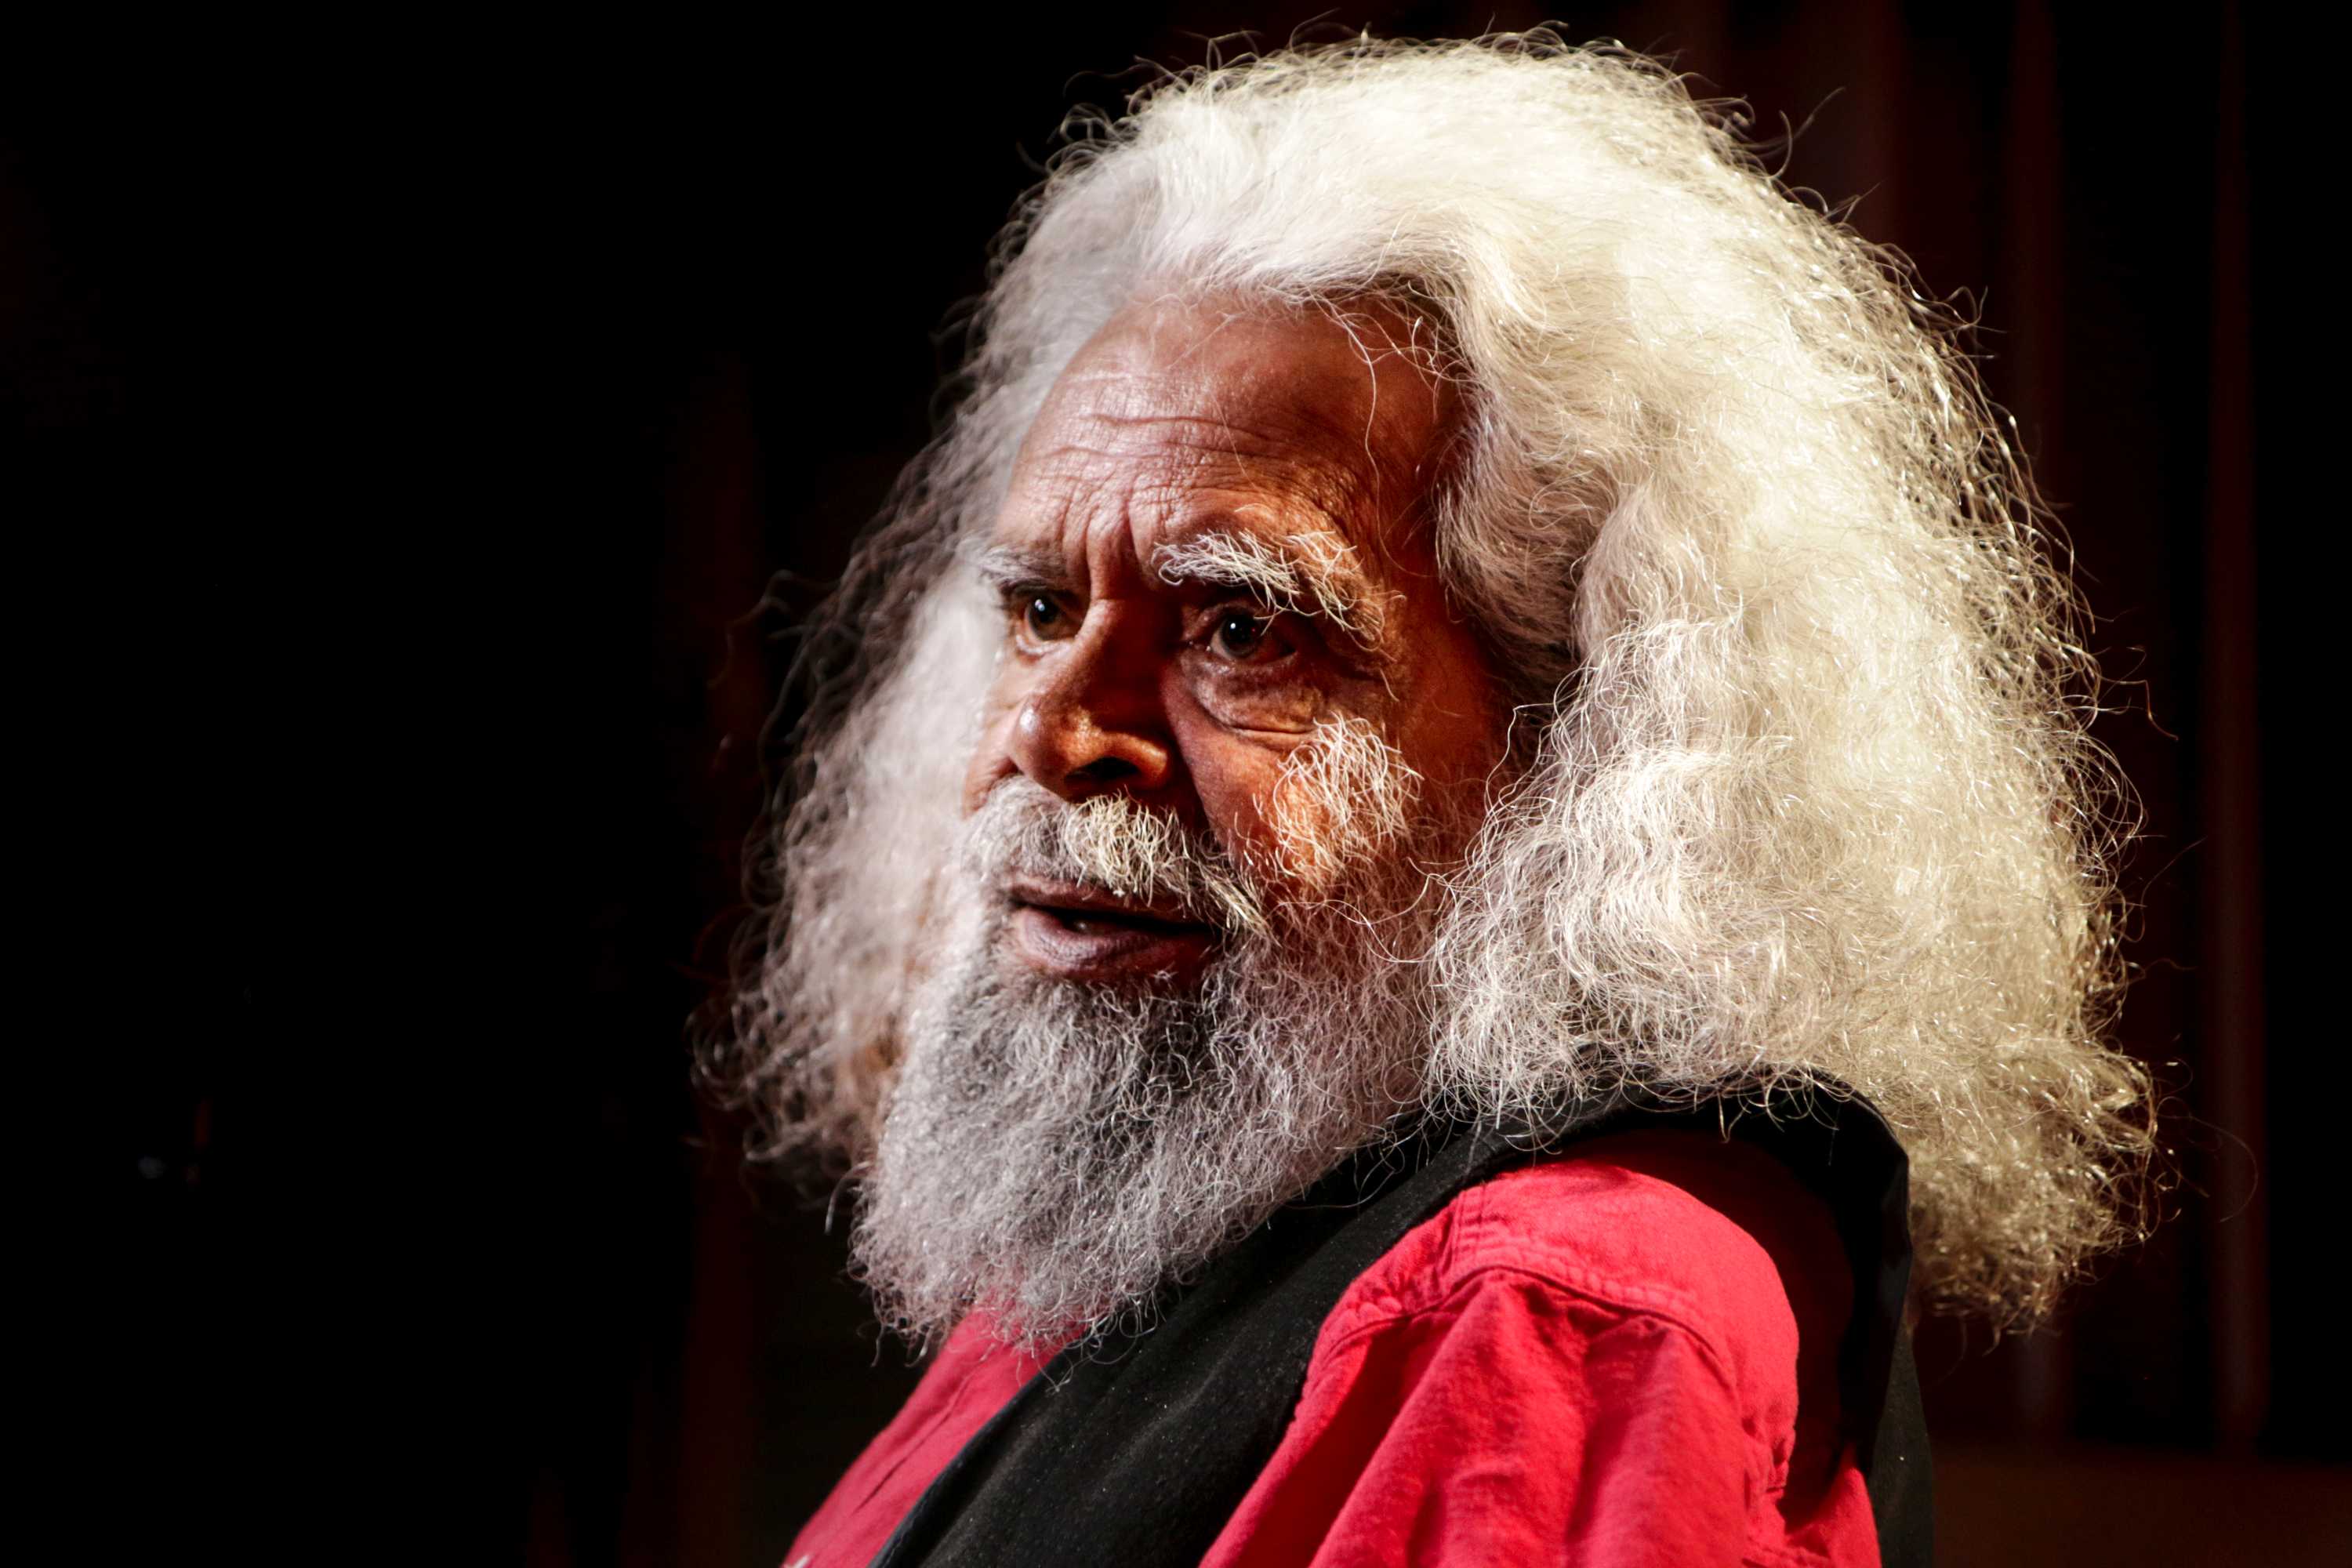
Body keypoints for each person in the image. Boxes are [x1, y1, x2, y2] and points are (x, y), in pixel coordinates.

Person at [712, 34, 2154, 1568]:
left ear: (1591, 740)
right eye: (1040, 606)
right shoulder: (1183, 1198)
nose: (1059, 732)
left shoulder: (1559, 1308)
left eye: (1243, 629)